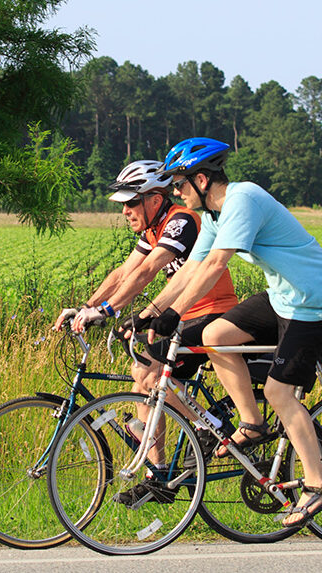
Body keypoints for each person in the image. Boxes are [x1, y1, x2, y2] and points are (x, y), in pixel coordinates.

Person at [135, 137, 322, 528]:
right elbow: (190, 269)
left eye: (180, 185)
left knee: (278, 391)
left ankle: (319, 484)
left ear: (201, 179)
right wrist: (150, 313)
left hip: (318, 302)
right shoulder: (215, 216)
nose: (177, 194)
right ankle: (252, 424)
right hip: (284, 297)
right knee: (214, 335)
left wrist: (175, 313)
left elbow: (217, 263)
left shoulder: (243, 200)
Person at [53, 159, 238, 507]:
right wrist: (86, 306)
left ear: (155, 199)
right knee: (141, 377)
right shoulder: (152, 230)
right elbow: (124, 272)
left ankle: (211, 425)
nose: (125, 210)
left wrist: (108, 311)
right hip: (181, 316)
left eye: (131, 201)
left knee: (153, 379)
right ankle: (159, 474)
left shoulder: (181, 221)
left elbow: (150, 270)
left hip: (211, 312)